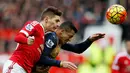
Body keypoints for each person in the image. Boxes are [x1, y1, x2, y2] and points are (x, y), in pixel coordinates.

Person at [2, 6, 62, 73]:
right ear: (46, 19)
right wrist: (26, 40)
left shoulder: (43, 37)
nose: (58, 25)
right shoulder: (35, 25)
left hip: (25, 70)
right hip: (16, 66)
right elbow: (18, 37)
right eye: (56, 21)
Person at [32, 21, 105, 73]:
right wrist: (60, 63)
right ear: (62, 31)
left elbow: (78, 49)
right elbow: (41, 58)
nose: (70, 40)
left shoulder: (59, 41)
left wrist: (90, 40)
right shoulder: (52, 37)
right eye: (69, 36)